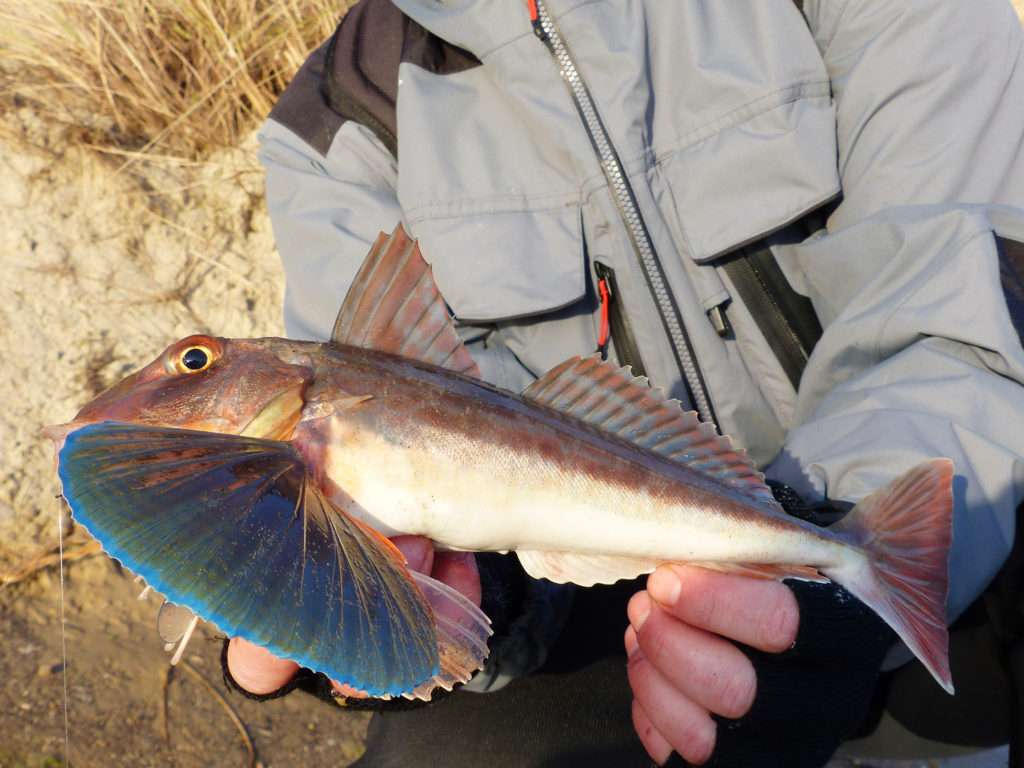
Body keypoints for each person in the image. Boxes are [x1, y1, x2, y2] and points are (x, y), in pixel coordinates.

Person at [224, 1, 1024, 765]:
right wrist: (480, 597)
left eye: (197, 361)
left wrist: (831, 567)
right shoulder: (342, 112)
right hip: (632, 609)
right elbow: (452, 457)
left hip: (955, 522)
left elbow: (971, 291)